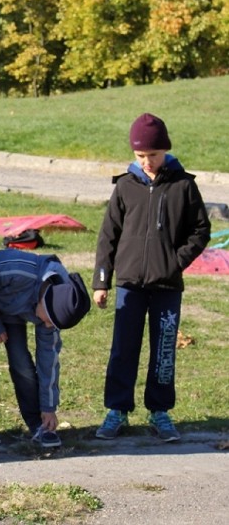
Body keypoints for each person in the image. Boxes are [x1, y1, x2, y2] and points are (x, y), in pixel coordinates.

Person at [93, 113, 211, 442]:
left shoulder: (184, 185)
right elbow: (108, 236)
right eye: (141, 156)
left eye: (154, 155)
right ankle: (117, 409)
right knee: (123, 349)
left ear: (166, 151)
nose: (147, 162)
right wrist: (102, 281)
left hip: (167, 286)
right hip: (129, 284)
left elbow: (201, 230)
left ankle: (160, 411)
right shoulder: (125, 186)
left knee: (163, 351)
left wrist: (175, 262)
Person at [0, 249, 91, 448]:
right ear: (43, 303)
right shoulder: (18, 272)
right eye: (49, 322)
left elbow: (48, 360)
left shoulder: (57, 308)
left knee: (22, 363)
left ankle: (37, 422)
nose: (48, 327)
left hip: (16, 312)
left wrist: (49, 407)